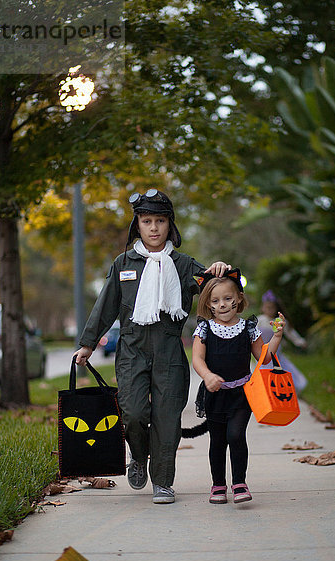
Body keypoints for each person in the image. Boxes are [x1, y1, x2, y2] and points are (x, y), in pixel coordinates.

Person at [74, 188, 231, 504]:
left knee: (167, 417)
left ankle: (163, 481)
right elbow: (106, 305)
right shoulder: (124, 263)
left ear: (170, 225)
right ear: (138, 226)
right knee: (131, 412)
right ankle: (138, 454)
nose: (154, 228)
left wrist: (220, 269)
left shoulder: (184, 264)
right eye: (147, 221)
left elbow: (219, 288)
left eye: (160, 220)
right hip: (132, 349)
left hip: (169, 349)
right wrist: (88, 343)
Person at [192, 270, 285, 505]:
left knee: (236, 435)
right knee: (217, 441)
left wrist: (276, 336)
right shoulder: (204, 329)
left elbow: (263, 358)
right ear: (208, 304)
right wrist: (207, 375)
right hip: (214, 394)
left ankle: (240, 482)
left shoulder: (248, 328)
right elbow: (197, 359)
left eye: (227, 299)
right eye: (215, 301)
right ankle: (218, 485)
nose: (222, 305)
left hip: (242, 394)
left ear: (239, 299)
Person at [257, 290, 307, 393]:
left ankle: (281, 389)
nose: (269, 310)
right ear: (262, 307)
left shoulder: (278, 321)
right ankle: (267, 391)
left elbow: (290, 332)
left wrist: (299, 341)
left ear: (276, 308)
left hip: (276, 353)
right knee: (265, 372)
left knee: (281, 370)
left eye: (272, 307)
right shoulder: (260, 320)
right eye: (267, 307)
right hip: (263, 352)